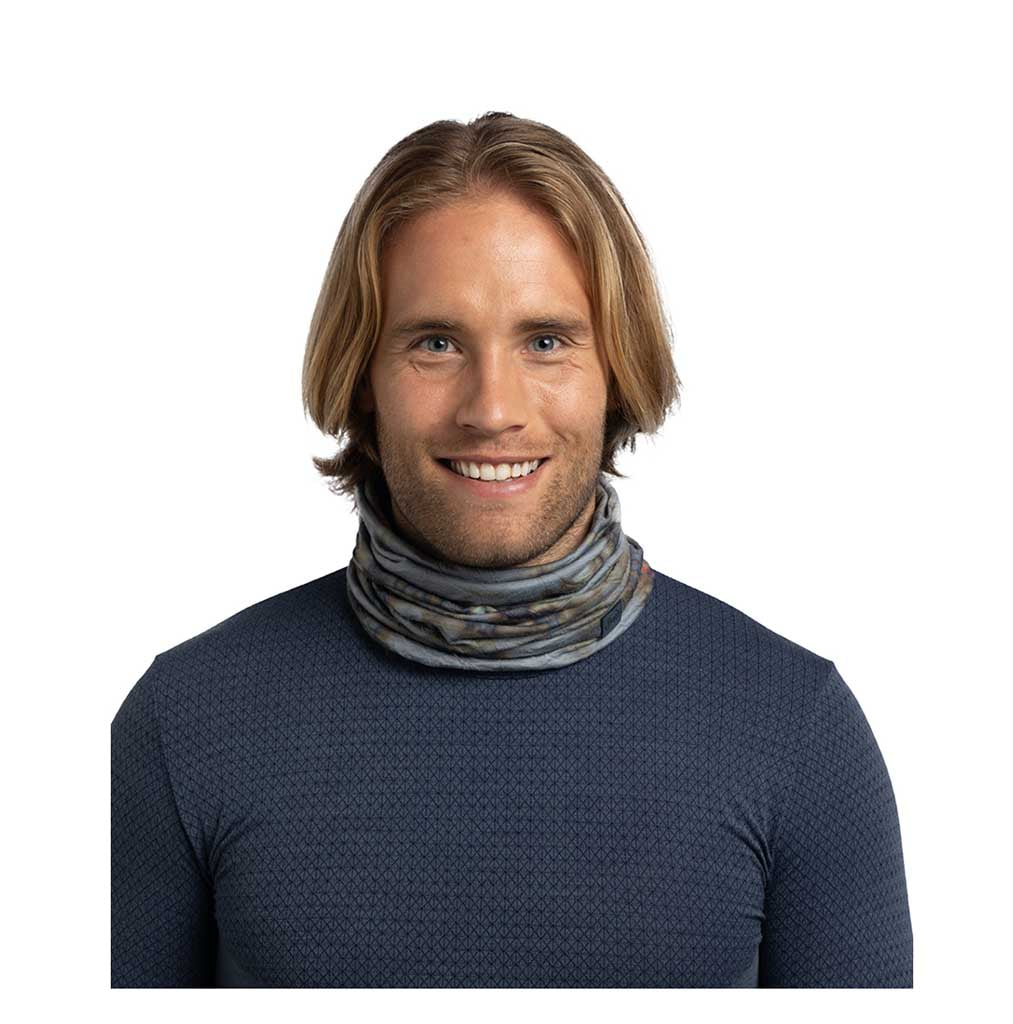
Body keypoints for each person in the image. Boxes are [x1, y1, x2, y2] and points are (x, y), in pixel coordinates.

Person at [111, 112, 913, 987]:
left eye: (545, 341)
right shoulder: (183, 726)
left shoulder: (795, 730)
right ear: (363, 376)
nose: (492, 409)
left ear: (617, 369)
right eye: (436, 343)